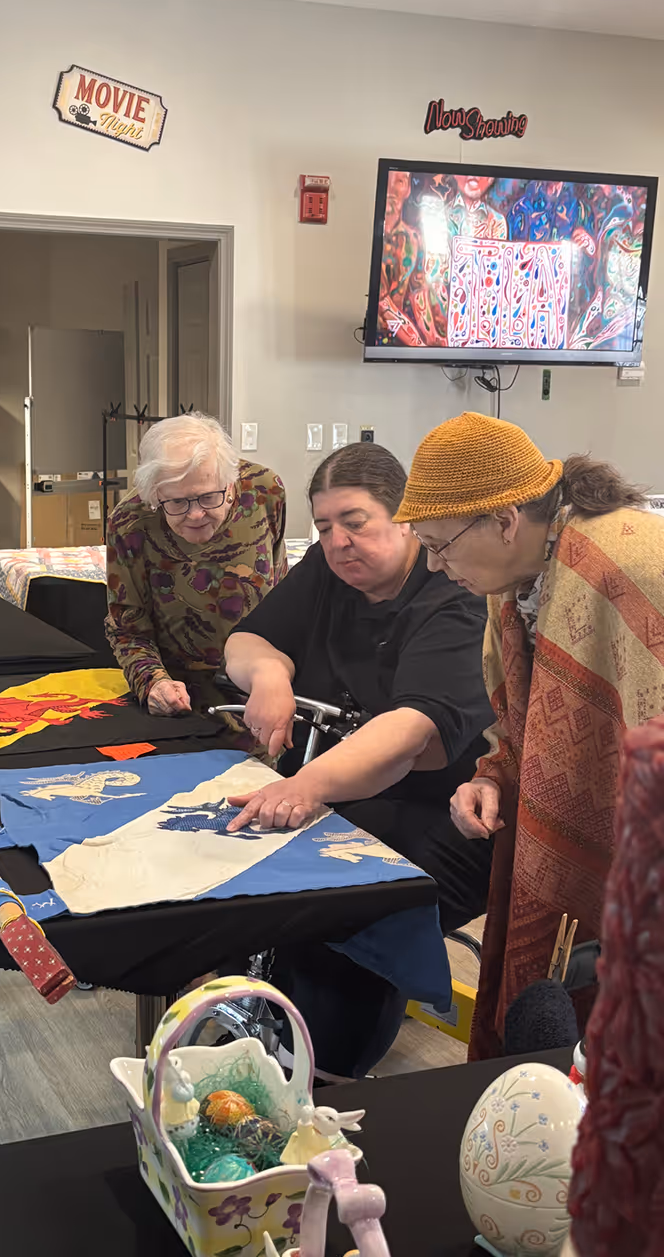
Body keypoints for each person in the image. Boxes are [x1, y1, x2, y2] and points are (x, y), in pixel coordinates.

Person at [395, 411, 664, 1059]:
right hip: (567, 847)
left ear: (504, 521)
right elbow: (521, 731)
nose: (434, 565)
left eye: (440, 544)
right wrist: (491, 777)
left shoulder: (628, 560)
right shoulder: (515, 579)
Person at [222, 442, 494, 1077]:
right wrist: (267, 673)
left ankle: (327, 1066)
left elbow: (405, 736)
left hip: (451, 808)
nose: (337, 541)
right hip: (355, 788)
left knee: (338, 892)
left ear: (406, 517)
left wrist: (307, 786)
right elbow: (247, 638)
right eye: (323, 526)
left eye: (355, 521)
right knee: (262, 867)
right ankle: (263, 1021)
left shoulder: (452, 594)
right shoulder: (329, 567)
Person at [105, 413, 286, 718]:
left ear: (230, 484)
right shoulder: (130, 523)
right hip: (177, 704)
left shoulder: (265, 492)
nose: (196, 514)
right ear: (154, 495)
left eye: (208, 497)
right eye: (177, 502)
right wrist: (153, 682)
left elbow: (283, 597)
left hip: (261, 694)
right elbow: (128, 629)